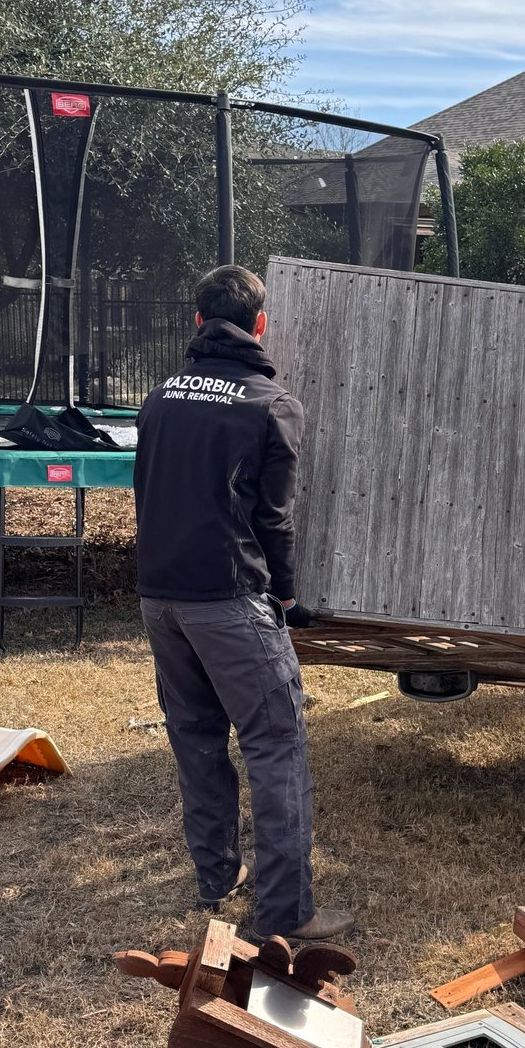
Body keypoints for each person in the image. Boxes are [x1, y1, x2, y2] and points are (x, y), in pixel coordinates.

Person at [133, 264, 353, 943]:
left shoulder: (159, 396)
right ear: (260, 324)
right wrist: (285, 592)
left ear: (199, 323)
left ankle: (215, 876)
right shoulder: (270, 403)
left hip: (159, 598)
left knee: (196, 738)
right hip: (228, 599)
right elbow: (273, 518)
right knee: (275, 743)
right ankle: (286, 914)